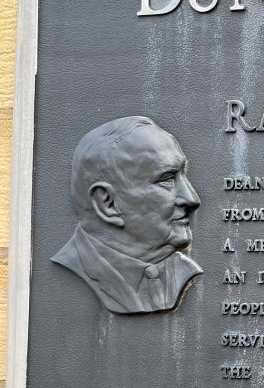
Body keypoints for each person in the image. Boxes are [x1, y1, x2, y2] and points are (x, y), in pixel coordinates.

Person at [51, 116, 202, 314]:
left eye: (182, 175)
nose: (192, 199)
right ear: (108, 204)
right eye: (166, 180)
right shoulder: (66, 277)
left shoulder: (186, 273)